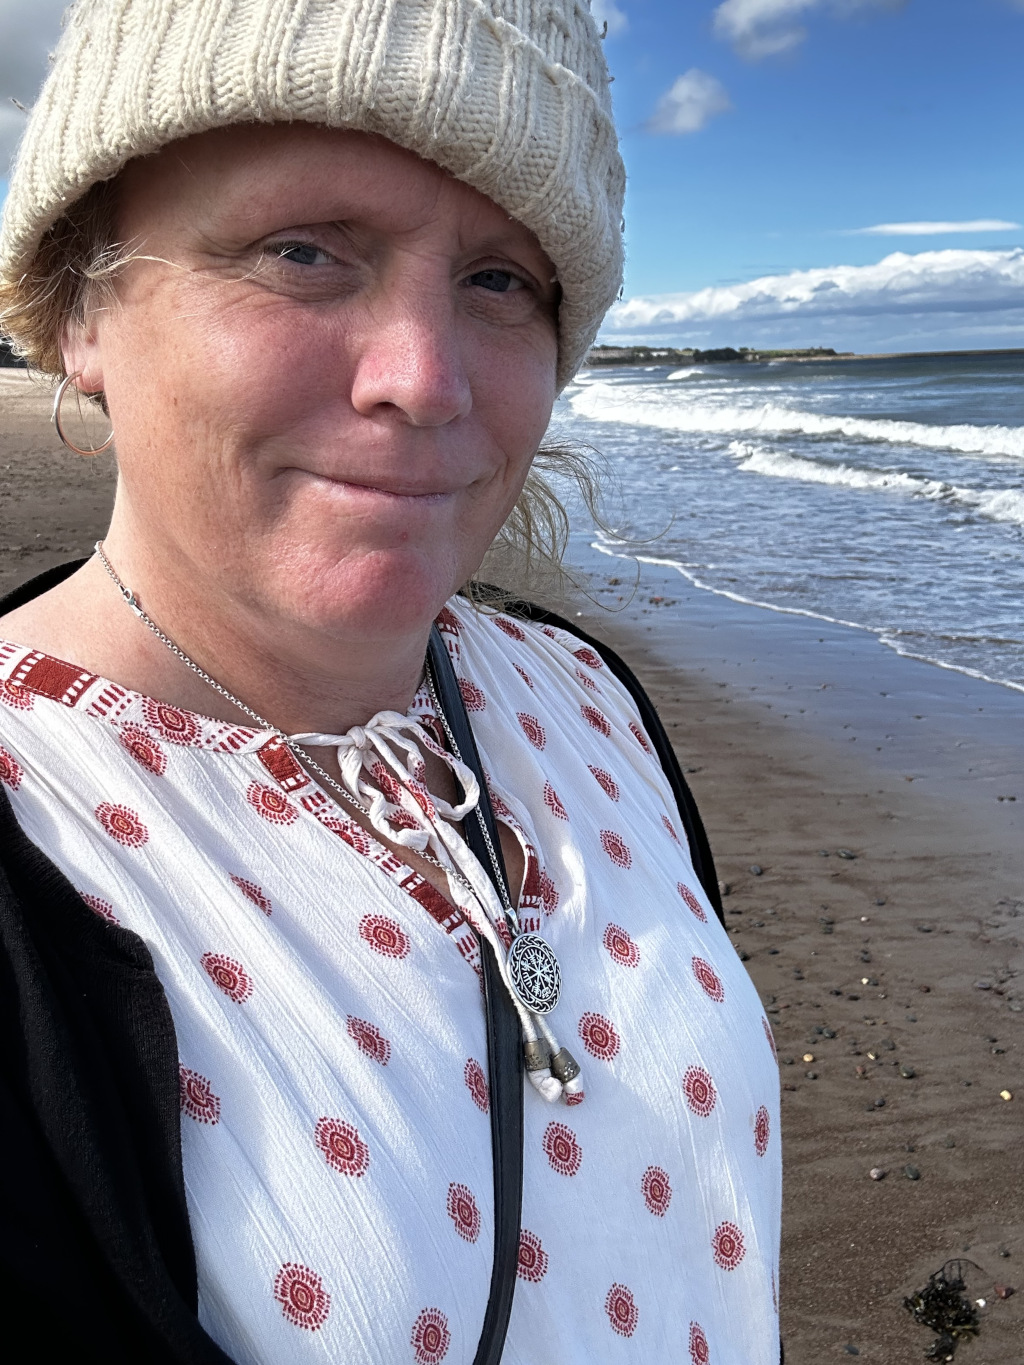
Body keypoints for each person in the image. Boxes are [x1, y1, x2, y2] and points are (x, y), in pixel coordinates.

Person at [0, 2, 781, 1362]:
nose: (423, 381)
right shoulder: (31, 847)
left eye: (498, 282)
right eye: (303, 251)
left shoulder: (590, 699)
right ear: (83, 307)